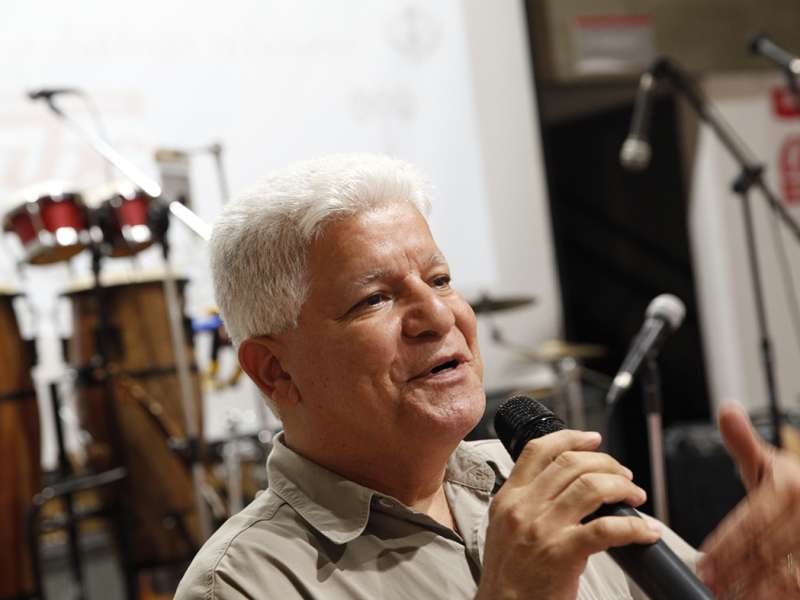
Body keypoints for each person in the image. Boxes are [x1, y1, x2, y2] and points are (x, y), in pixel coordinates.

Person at [173, 153, 781, 599]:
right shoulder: (242, 584)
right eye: (374, 299)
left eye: (439, 280)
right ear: (275, 370)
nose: (440, 315)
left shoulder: (542, 482)